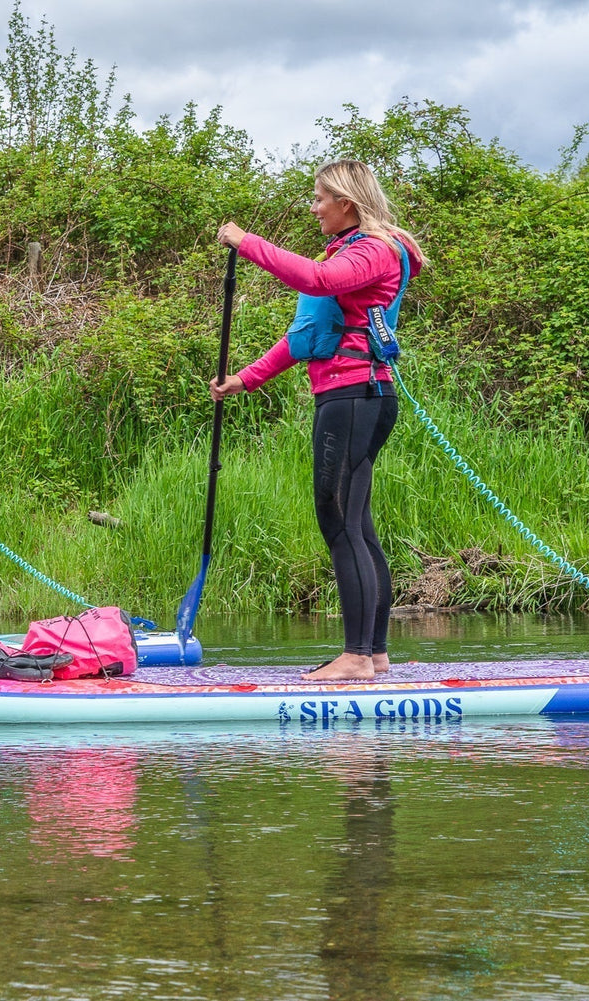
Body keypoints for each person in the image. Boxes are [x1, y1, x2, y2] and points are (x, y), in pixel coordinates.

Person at [213, 160, 426, 682]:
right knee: (357, 523)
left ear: (347, 204)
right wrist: (246, 379)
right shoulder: (350, 252)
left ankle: (355, 657)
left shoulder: (373, 251)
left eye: (319, 199)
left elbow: (316, 279)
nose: (314, 209)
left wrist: (247, 242)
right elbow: (307, 337)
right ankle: (372, 655)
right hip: (351, 396)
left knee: (339, 521)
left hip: (357, 396)